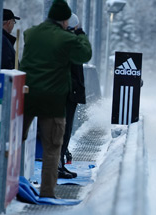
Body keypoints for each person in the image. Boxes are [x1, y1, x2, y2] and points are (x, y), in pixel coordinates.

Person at [20, 0, 92, 199]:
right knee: (53, 147)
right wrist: (80, 34)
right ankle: (47, 193)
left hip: (27, 94)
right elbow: (86, 54)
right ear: (65, 22)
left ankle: (8, 183)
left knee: (17, 141)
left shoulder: (31, 33)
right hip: (53, 99)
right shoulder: (66, 38)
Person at [58, 13, 87, 179]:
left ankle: (58, 163)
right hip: (67, 94)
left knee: (62, 130)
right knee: (63, 130)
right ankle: (58, 166)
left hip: (65, 92)